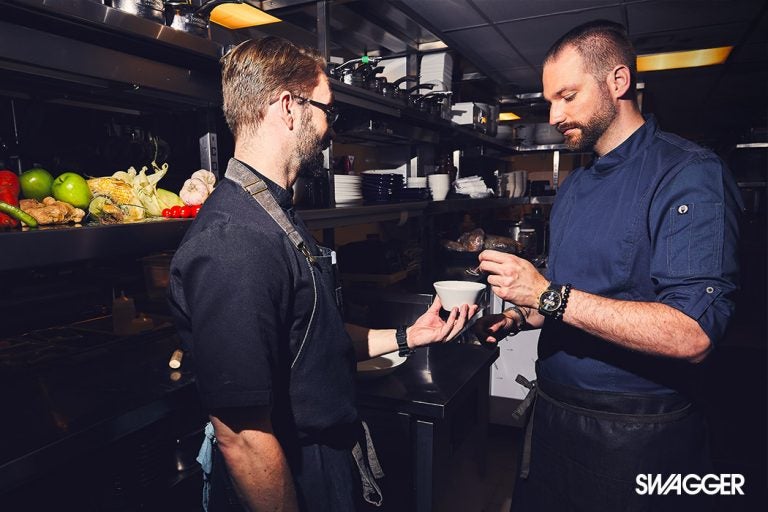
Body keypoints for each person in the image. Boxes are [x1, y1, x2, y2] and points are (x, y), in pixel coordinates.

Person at [168, 36, 476, 512]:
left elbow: (312, 339)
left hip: (324, 463)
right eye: (327, 110)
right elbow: (243, 436)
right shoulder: (235, 241)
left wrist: (408, 336)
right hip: (289, 470)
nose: (331, 129)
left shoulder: (274, 214)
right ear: (289, 107)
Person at [475, 20, 741, 511]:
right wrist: (518, 315)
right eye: (550, 101)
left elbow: (693, 334)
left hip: (637, 431)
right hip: (553, 415)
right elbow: (572, 296)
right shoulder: (575, 186)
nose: (555, 116)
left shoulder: (687, 173)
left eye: (568, 96)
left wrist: (545, 294)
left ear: (618, 82)